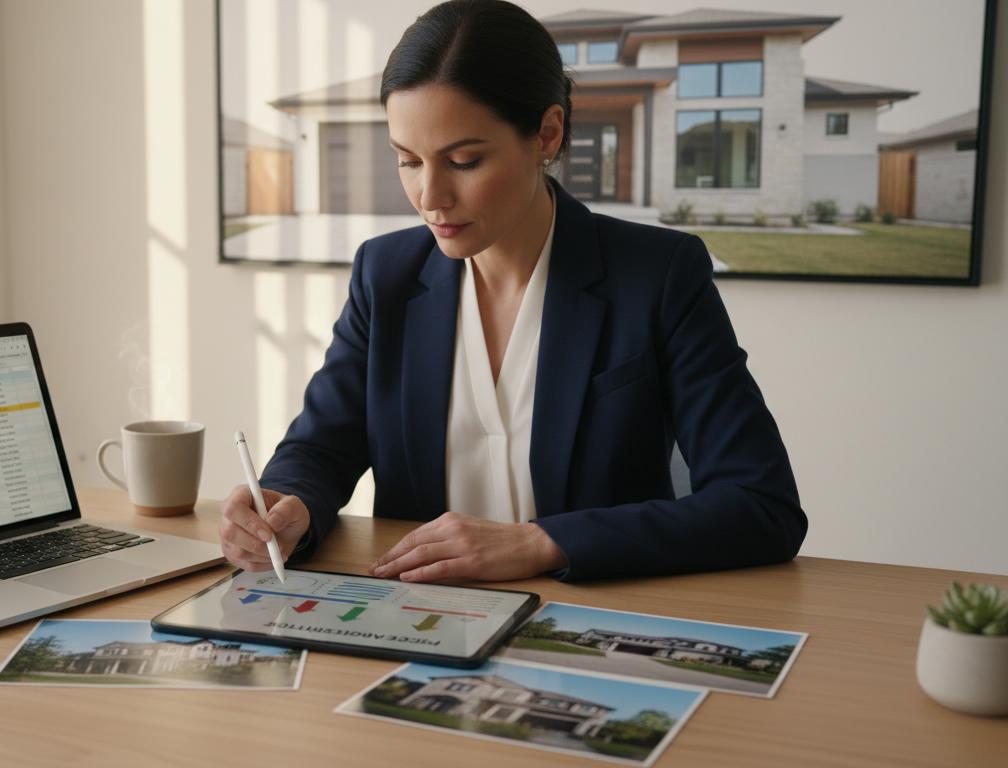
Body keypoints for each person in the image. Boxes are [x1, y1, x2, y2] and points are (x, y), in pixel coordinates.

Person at [217, 0, 806, 583]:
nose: (430, 196)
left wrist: (544, 542)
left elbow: (761, 503)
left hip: (587, 625)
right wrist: (289, 503)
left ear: (547, 134)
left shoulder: (657, 275)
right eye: (408, 161)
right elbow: (320, 450)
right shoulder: (384, 273)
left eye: (464, 161)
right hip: (418, 622)